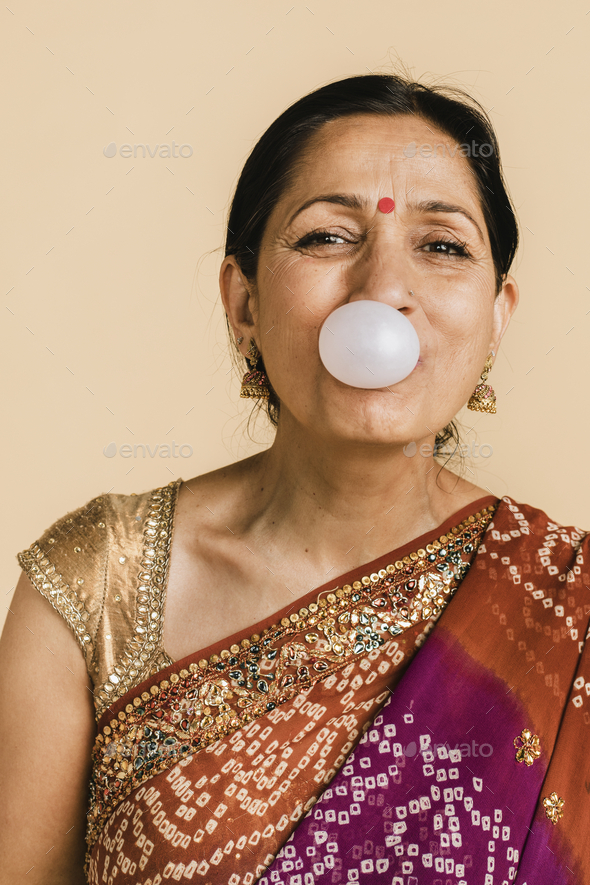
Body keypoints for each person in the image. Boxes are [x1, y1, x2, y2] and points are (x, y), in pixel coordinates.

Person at [1, 72, 588, 885]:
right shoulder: (101, 582)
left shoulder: (570, 605)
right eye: (326, 237)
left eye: (443, 245)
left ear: (495, 319)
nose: (383, 291)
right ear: (242, 302)